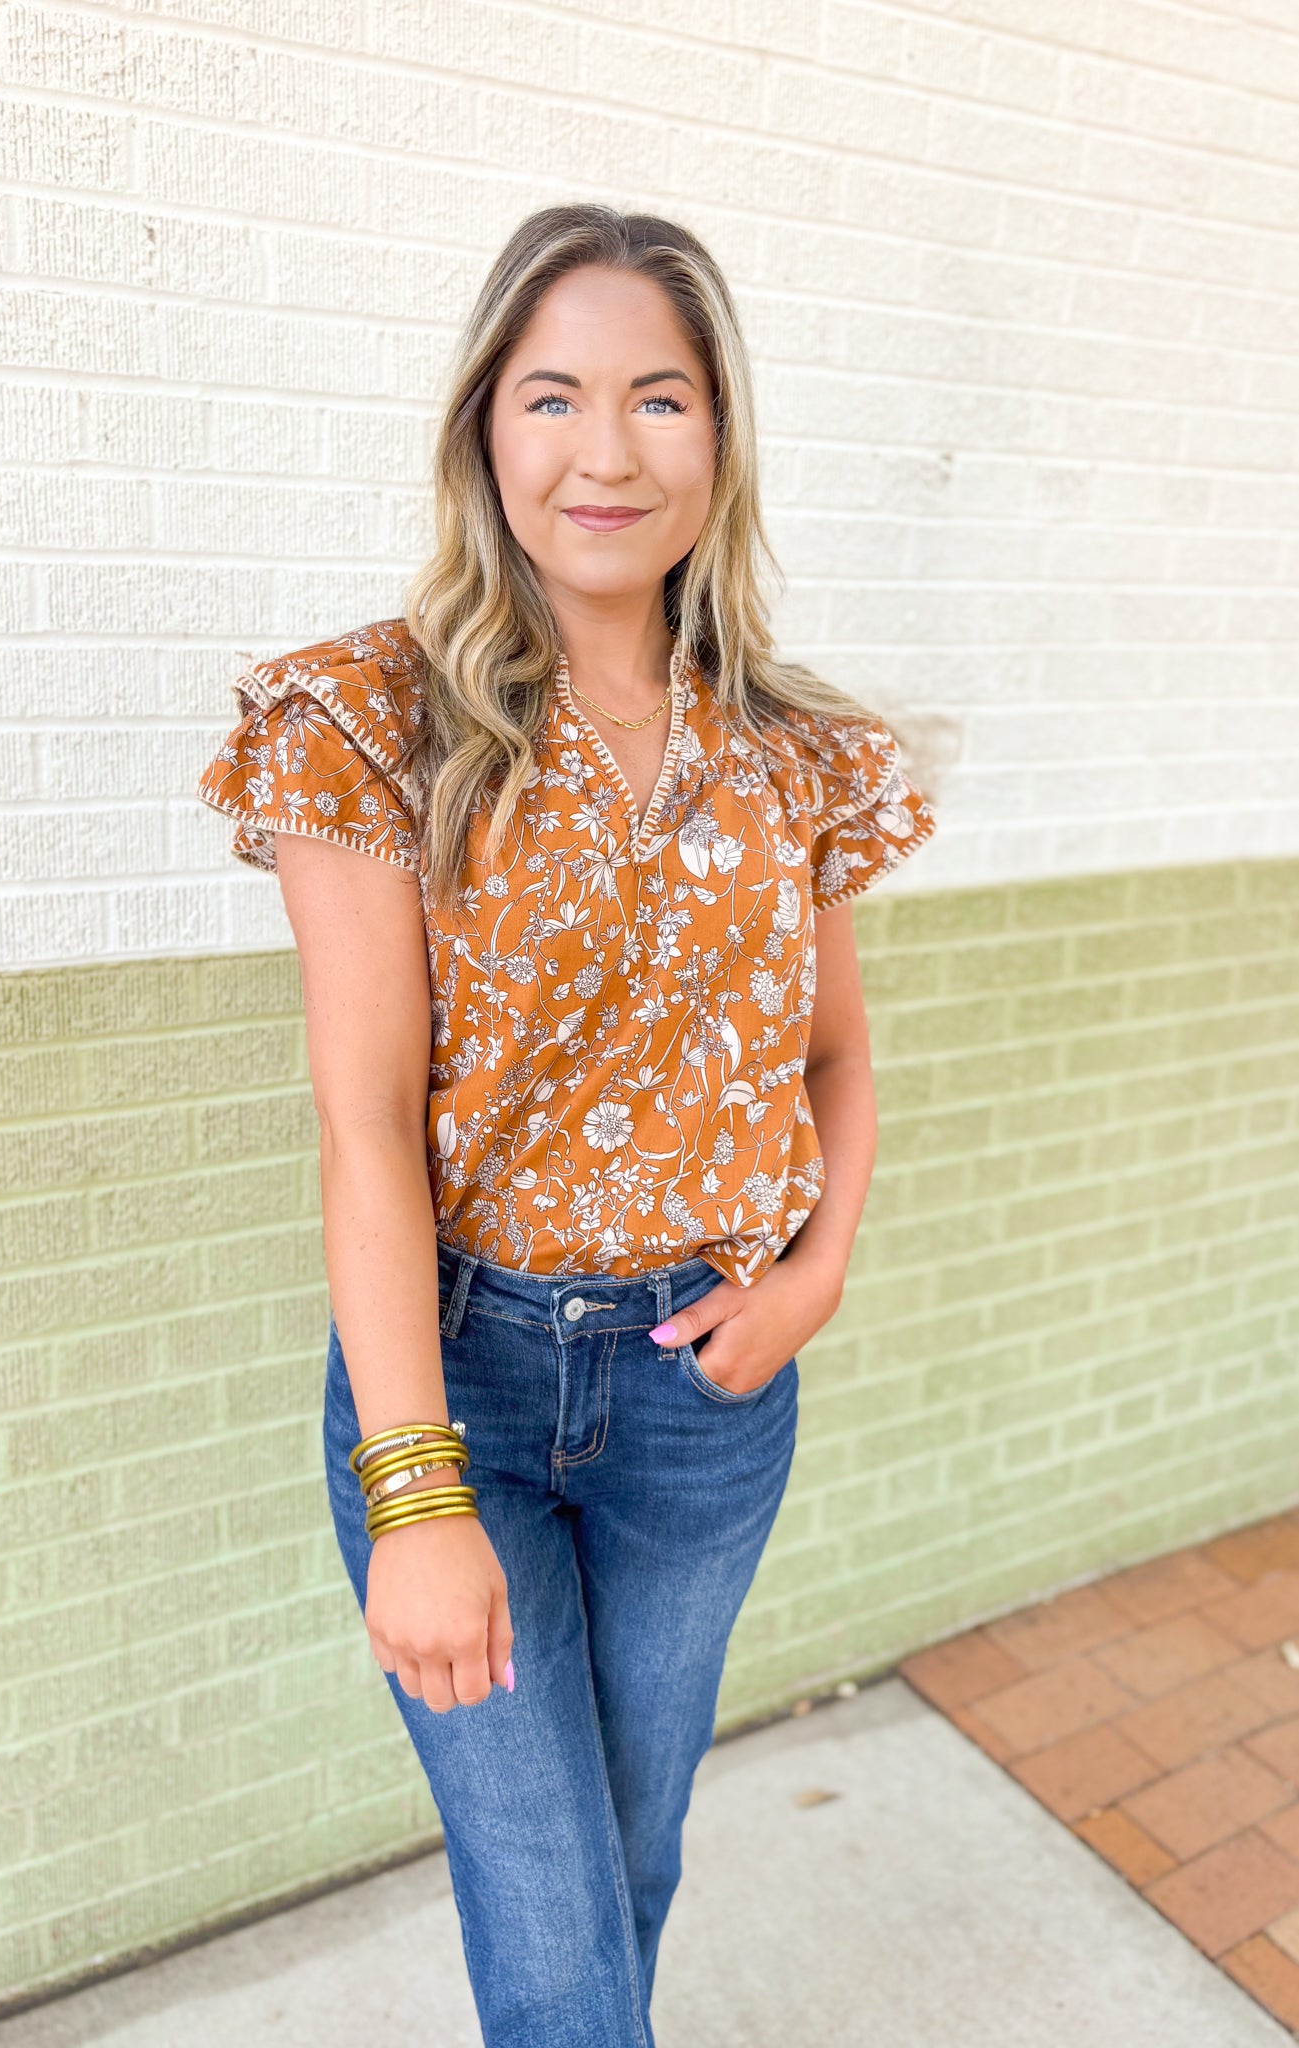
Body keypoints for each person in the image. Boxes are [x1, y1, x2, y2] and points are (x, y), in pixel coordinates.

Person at [196, 203, 936, 2048]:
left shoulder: (789, 751)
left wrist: (815, 1277)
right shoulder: (364, 723)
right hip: (462, 1386)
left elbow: (833, 1058)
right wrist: (416, 1493)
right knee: (546, 1914)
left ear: (720, 438)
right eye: (552, 397)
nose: (604, 452)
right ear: (484, 433)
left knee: (631, 1853)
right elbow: (364, 1128)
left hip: (709, 1394)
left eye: (658, 399)